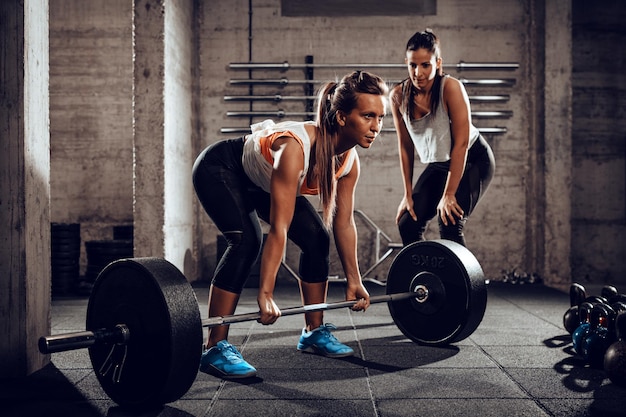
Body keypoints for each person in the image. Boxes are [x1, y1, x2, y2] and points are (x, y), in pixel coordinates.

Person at [192, 70, 389, 379]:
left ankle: (313, 331)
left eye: (380, 117)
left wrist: (354, 280)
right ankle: (214, 346)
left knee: (317, 239)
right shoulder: (296, 149)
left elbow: (344, 222)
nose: (376, 127)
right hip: (222, 169)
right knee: (247, 241)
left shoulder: (349, 161)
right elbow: (280, 228)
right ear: (341, 117)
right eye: (368, 116)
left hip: (262, 183)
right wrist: (266, 294)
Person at [390, 29, 496, 247]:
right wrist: (407, 194)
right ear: (406, 63)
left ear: (438, 63)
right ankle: (426, 280)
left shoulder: (451, 88)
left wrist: (449, 194)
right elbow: (405, 146)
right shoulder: (398, 96)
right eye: (412, 65)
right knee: (408, 222)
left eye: (425, 65)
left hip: (474, 159)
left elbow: (461, 144)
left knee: (449, 221)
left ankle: (462, 282)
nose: (418, 72)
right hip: (440, 164)